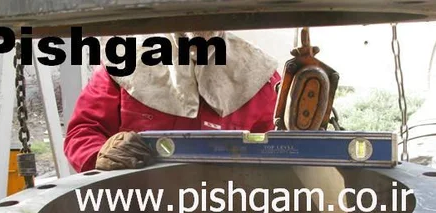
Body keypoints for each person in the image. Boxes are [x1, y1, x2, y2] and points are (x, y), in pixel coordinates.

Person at [64, 31, 281, 172]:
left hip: (226, 207)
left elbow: (278, 151)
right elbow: (82, 132)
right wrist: (99, 154)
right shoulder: (123, 62)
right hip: (138, 206)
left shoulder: (259, 75)